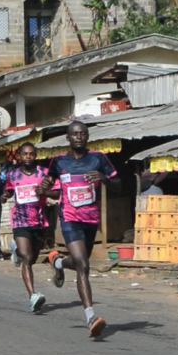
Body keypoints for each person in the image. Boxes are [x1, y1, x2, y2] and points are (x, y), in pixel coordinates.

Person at [39, 121, 119, 338]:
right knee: (83, 266)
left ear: (87, 136)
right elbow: (48, 187)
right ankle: (90, 316)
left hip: (91, 220)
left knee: (79, 262)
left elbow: (119, 183)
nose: (79, 137)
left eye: (83, 134)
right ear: (68, 138)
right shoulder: (58, 162)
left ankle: (58, 262)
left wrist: (103, 178)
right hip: (69, 219)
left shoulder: (98, 159)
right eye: (74, 134)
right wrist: (43, 190)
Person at [3, 142, 60, 313]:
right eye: (25, 154)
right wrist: (4, 196)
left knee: (32, 258)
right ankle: (33, 296)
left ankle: (16, 250)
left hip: (39, 221)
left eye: (31, 154)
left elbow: (57, 193)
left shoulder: (45, 174)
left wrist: (45, 193)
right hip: (20, 220)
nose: (28, 157)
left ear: (35, 156)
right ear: (19, 156)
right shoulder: (12, 175)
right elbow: (9, 190)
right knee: (27, 259)